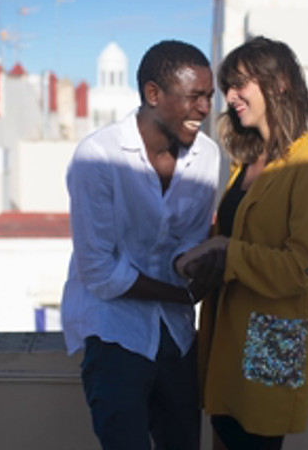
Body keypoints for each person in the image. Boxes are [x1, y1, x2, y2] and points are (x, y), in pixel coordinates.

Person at [61, 40, 222, 450]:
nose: (204, 108)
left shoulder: (207, 156)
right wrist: (182, 294)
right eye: (193, 97)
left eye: (209, 96)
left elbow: (187, 243)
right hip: (115, 334)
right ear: (153, 94)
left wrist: (206, 264)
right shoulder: (96, 157)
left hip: (179, 337)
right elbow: (97, 269)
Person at [176, 36, 308, 449]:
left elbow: (303, 267)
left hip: (271, 344)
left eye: (240, 84)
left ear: (279, 82)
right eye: (228, 86)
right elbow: (232, 236)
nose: (229, 96)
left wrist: (225, 252)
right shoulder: (246, 163)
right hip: (227, 337)